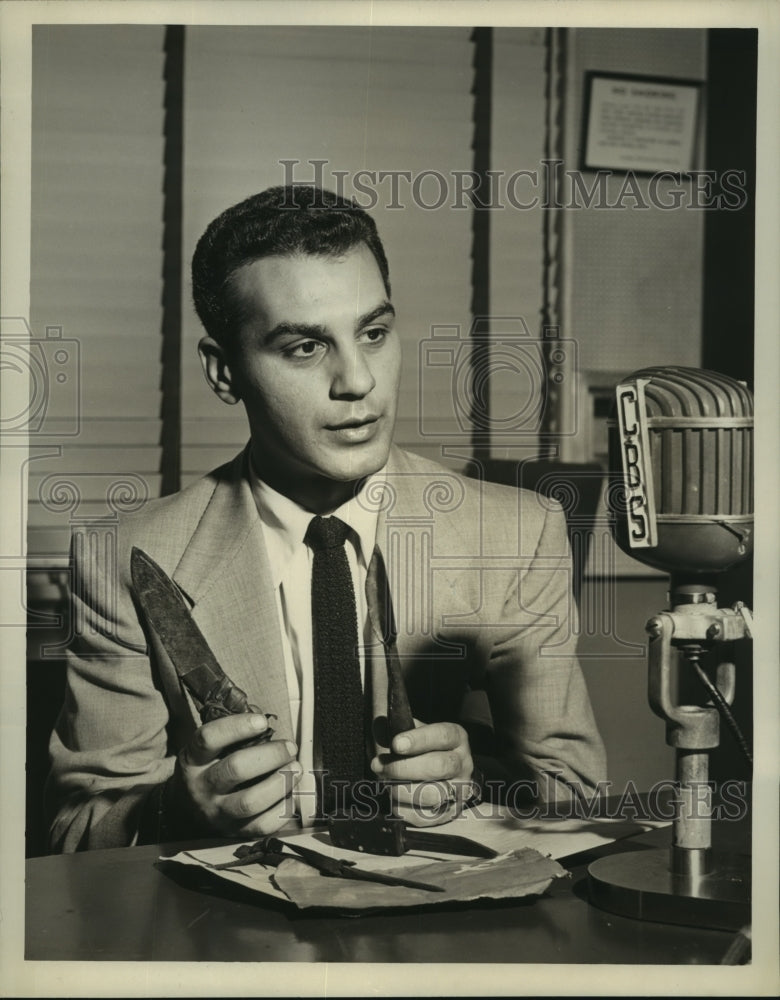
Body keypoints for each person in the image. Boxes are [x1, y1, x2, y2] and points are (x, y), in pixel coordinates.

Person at [45, 185, 606, 852]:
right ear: (224, 373)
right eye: (306, 348)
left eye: (373, 333)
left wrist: (475, 787)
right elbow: (74, 833)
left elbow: (576, 792)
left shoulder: (516, 536)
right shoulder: (125, 559)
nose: (359, 380)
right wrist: (176, 808)